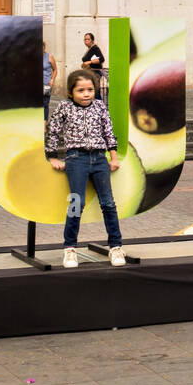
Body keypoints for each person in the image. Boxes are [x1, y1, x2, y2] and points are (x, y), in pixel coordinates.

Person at [46, 69, 126, 268]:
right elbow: (53, 131)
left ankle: (116, 246)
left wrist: (113, 157)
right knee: (76, 202)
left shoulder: (100, 106)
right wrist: (52, 157)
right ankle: (70, 248)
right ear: (71, 92)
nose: (86, 94)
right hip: (76, 159)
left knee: (108, 203)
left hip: (100, 159)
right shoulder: (64, 107)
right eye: (81, 90)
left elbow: (108, 131)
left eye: (90, 89)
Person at [80, 32, 106, 101]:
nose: (86, 41)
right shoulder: (89, 49)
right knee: (92, 91)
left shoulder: (95, 48)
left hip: (95, 73)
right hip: (90, 72)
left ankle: (99, 108)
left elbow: (101, 59)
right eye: (85, 40)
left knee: (95, 92)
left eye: (88, 39)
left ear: (92, 40)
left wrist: (89, 62)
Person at [42, 40, 57, 119]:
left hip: (46, 84)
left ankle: (44, 125)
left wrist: (52, 80)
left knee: (45, 104)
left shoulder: (49, 57)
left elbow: (55, 70)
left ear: (44, 48)